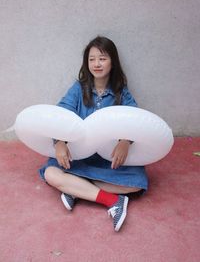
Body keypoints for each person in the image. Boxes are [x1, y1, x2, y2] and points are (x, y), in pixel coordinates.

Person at [39, 36, 148, 232]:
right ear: (86, 63)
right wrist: (59, 143)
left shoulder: (121, 92)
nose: (96, 64)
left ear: (112, 62)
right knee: (51, 173)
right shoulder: (78, 89)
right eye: (92, 59)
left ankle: (76, 188)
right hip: (79, 156)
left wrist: (125, 141)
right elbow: (61, 114)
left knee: (137, 184)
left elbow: (136, 119)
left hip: (108, 159)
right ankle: (113, 200)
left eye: (102, 58)